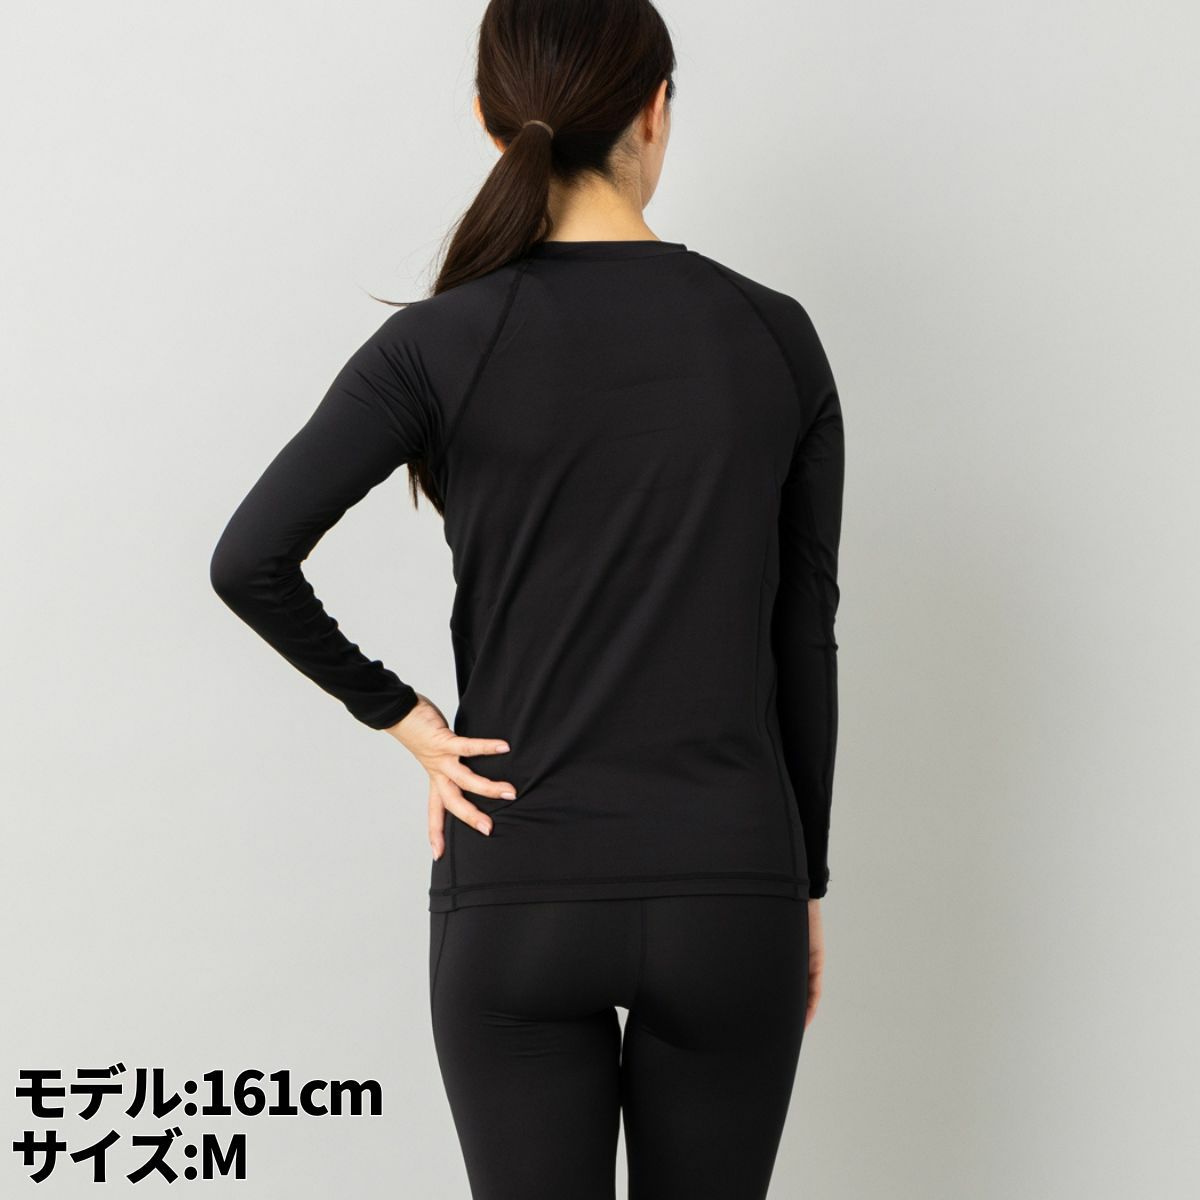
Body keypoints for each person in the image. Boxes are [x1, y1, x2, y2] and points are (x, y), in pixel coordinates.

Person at [209, 1, 846, 1196]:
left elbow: (249, 559)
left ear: (490, 123)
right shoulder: (774, 337)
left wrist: (410, 724)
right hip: (729, 886)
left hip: (517, 883)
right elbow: (803, 637)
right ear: (656, 110)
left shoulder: (440, 344)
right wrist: (798, 879)